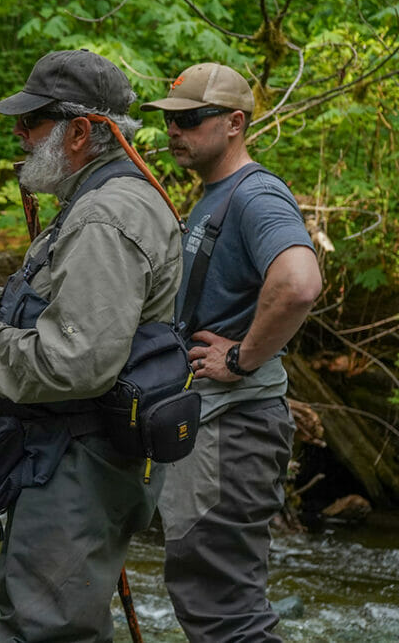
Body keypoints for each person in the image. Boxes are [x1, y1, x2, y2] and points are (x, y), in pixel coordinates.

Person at [0, 49, 183, 641]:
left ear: (81, 132)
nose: (18, 132)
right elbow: (58, 317)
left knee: (45, 630)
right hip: (79, 457)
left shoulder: (104, 217)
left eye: (32, 121)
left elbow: (75, 362)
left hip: (79, 461)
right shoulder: (106, 199)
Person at [140, 63, 322, 641]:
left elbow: (299, 284)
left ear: (235, 124)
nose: (174, 132)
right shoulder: (217, 196)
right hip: (214, 427)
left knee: (224, 610)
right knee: (209, 598)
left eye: (190, 120)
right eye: (170, 120)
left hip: (234, 428)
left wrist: (240, 358)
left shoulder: (255, 195)